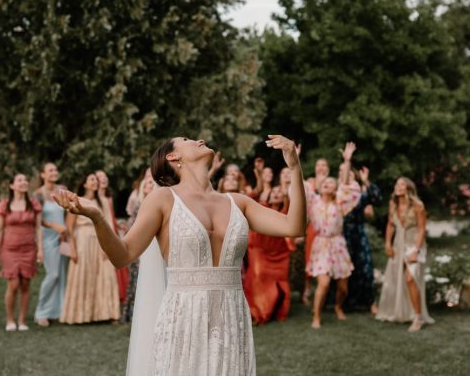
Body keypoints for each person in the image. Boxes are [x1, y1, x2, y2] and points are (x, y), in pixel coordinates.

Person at [53, 135, 307, 376]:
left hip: (231, 316)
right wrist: (97, 217)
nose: (198, 140)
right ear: (173, 157)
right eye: (187, 140)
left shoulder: (238, 202)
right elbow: (123, 255)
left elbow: (294, 227)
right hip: (185, 317)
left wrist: (295, 168)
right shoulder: (163, 199)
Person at [306, 142, 361, 329]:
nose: (327, 184)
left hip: (337, 244)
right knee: (324, 283)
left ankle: (338, 306)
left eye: (331, 183)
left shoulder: (340, 202)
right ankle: (317, 316)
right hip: (321, 245)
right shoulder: (313, 202)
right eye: (325, 183)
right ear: (320, 187)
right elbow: (298, 186)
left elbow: (345, 185)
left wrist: (347, 161)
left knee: (343, 286)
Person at [60, 173, 120, 324]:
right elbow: (70, 227)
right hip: (83, 242)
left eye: (96, 180)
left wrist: (110, 247)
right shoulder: (76, 200)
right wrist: (72, 248)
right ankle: (80, 315)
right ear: (84, 184)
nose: (95, 182)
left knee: (103, 274)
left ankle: (104, 313)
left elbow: (109, 225)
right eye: (92, 179)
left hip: (100, 241)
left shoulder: (103, 202)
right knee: (83, 274)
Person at [376, 177, 434, 331]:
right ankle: (399, 312)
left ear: (408, 188)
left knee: (410, 278)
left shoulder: (417, 206)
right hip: (398, 244)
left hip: (414, 244)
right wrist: (387, 243)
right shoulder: (393, 204)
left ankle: (418, 317)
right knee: (397, 279)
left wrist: (416, 250)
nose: (398, 186)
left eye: (402, 184)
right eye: (397, 184)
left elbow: (422, 229)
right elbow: (390, 224)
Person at [0, 173, 43, 331]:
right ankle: (10, 319)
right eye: (19, 180)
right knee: (13, 284)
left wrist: (40, 250)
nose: (24, 182)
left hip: (29, 249)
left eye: (25, 180)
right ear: (12, 185)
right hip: (9, 250)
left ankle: (22, 320)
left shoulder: (34, 204)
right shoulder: (4, 205)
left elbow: (38, 228)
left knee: (26, 284)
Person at [243, 184, 295, 324]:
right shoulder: (262, 208)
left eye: (280, 192)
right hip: (260, 250)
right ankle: (260, 312)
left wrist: (286, 194)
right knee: (259, 279)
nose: (277, 194)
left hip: (280, 254)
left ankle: (278, 311)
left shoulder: (287, 211)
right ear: (269, 196)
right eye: (274, 192)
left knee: (280, 282)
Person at [342, 166, 383, 314]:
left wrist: (366, 181)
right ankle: (344, 303)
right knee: (344, 272)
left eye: (351, 175)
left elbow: (377, 199)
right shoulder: (336, 193)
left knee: (365, 268)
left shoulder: (360, 195)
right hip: (340, 237)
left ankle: (370, 302)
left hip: (358, 235)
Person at [33, 162, 68, 327]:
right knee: (52, 274)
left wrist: (66, 231)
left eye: (55, 169)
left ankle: (58, 311)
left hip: (63, 237)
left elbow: (68, 212)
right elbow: (37, 221)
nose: (54, 172)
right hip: (47, 239)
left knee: (61, 275)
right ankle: (41, 312)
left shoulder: (62, 190)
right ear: (42, 175)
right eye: (50, 170)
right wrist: (55, 226)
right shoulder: (38, 194)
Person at [121, 168, 156, 323]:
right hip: (141, 247)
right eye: (147, 183)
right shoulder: (139, 205)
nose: (150, 185)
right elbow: (132, 226)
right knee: (137, 280)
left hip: (155, 247)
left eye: (152, 183)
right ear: (143, 187)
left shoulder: (158, 204)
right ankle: (136, 314)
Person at [97, 169, 130, 305]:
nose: (103, 179)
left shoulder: (108, 197)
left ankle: (118, 297)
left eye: (105, 176)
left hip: (113, 233)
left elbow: (109, 218)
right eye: (99, 177)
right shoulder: (95, 199)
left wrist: (118, 224)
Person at [302, 157, 330, 305]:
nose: (321, 167)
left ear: (328, 168)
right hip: (314, 227)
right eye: (318, 165)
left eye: (324, 165)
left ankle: (327, 294)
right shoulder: (310, 183)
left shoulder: (332, 183)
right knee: (309, 257)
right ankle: (307, 290)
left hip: (330, 229)